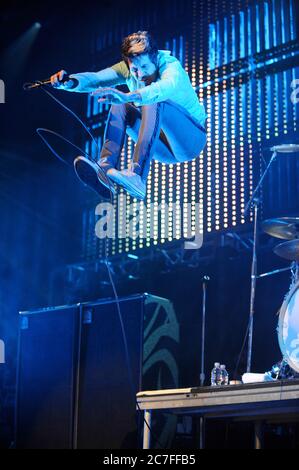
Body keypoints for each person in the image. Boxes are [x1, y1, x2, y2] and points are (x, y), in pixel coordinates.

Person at [51, 31, 207, 200]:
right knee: (120, 104)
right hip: (161, 148)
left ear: (154, 57)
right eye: (134, 69)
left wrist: (128, 96)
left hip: (190, 141)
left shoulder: (170, 66)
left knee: (153, 100)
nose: (140, 74)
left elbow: (162, 89)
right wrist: (69, 82)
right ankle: (104, 169)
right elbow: (96, 79)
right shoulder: (128, 69)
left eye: (145, 67)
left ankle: (137, 176)